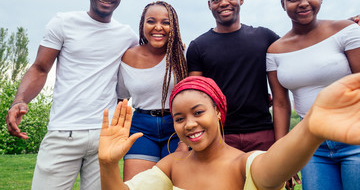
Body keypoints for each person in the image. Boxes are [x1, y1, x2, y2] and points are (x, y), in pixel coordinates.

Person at [98, 74, 360, 190]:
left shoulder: (243, 164)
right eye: (179, 118)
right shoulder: (171, 166)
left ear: (219, 113)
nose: (189, 124)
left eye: (198, 112)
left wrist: (310, 128)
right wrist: (108, 164)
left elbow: (273, 168)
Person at [5, 0, 138, 190]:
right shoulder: (63, 23)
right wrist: (20, 100)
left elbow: (135, 74)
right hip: (63, 132)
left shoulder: (128, 36)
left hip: (104, 136)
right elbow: (40, 68)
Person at [266, 0, 360, 190]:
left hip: (354, 138)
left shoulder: (346, 31)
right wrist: (282, 154)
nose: (303, 3)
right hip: (310, 146)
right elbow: (280, 103)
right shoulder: (275, 51)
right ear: (283, 3)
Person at [186, 0, 284, 152]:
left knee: (266, 182)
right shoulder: (198, 47)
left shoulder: (264, 37)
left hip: (262, 133)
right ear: (209, 4)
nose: (224, 2)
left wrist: (333, 29)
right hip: (219, 136)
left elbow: (299, 45)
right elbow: (194, 96)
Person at [117, 1, 187, 181]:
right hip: (141, 127)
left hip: (176, 126)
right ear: (142, 25)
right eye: (151, 21)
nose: (158, 27)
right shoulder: (128, 57)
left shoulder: (182, 56)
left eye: (166, 22)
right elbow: (121, 98)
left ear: (174, 26)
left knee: (176, 184)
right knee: (138, 185)